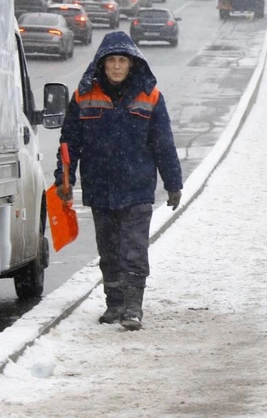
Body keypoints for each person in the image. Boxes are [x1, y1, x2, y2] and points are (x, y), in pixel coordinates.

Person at [54, 31, 183, 331]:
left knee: (134, 250)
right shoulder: (83, 95)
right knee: (109, 250)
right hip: (100, 188)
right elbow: (69, 142)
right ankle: (114, 304)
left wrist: (173, 183)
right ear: (102, 63)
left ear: (132, 63)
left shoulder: (149, 96)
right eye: (111, 60)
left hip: (137, 189)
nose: (116, 66)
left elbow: (163, 144)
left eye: (121, 61)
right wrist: (64, 178)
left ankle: (133, 307)